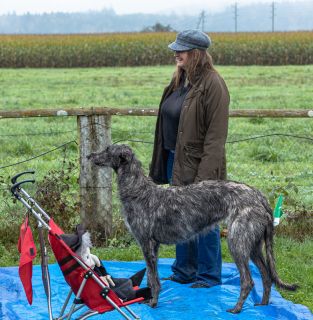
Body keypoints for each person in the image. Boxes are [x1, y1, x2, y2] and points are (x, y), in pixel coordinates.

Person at [149, 29, 229, 288]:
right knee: (180, 217)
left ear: (196, 54)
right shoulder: (179, 83)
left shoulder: (213, 84)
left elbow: (216, 139)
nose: (176, 53)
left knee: (204, 221)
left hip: (200, 164)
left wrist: (204, 180)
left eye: (181, 50)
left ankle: (208, 275)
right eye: (175, 49)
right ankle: (184, 270)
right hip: (176, 161)